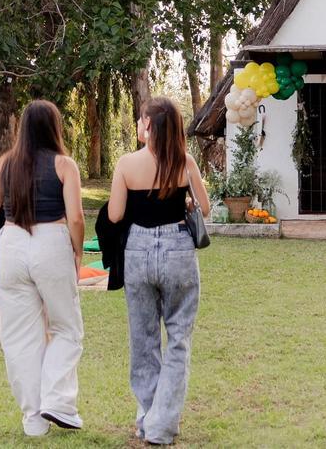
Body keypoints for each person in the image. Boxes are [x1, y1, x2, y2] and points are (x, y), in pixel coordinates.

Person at [107, 97, 211, 447]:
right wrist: (183, 199)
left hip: (137, 249)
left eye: (141, 120)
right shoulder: (185, 161)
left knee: (144, 339)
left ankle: (146, 417)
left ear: (149, 126)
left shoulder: (126, 163)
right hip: (178, 250)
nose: (138, 124)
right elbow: (205, 207)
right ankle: (162, 424)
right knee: (178, 338)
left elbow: (116, 214)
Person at [0, 99, 85, 438]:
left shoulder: (5, 164)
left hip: (12, 244)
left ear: (22, 128)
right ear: (54, 127)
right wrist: (76, 251)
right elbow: (75, 217)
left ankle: (33, 419)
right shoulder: (64, 164)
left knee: (19, 337)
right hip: (51, 241)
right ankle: (56, 400)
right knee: (66, 328)